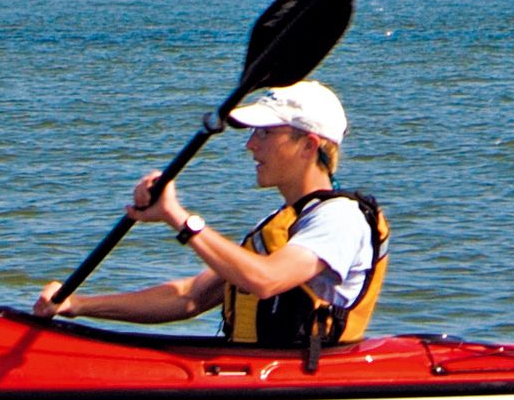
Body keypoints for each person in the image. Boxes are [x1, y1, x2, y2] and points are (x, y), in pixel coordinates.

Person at [37, 80, 390, 348]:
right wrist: (77, 304)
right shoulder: (283, 222)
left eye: (265, 134)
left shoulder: (339, 220)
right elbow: (191, 296)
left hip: (301, 373)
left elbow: (266, 280)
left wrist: (180, 218)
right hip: (259, 364)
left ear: (309, 145)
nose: (251, 144)